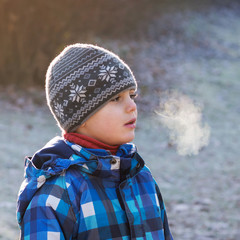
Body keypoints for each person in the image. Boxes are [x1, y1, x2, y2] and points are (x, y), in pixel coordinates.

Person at [17, 43, 173, 240]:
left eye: (131, 95)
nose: (132, 106)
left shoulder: (141, 178)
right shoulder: (56, 195)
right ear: (81, 115)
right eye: (116, 98)